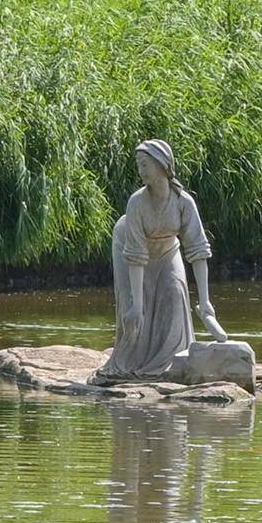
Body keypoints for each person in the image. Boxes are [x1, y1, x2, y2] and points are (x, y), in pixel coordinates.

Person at [95, 139, 226, 382]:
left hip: (167, 250)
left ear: (162, 165)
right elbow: (135, 255)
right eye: (139, 165)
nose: (141, 170)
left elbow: (198, 251)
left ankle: (169, 362)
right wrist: (136, 305)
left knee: (175, 292)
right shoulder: (137, 202)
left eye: (145, 165)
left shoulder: (183, 202)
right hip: (129, 249)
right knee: (134, 308)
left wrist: (206, 302)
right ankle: (132, 360)